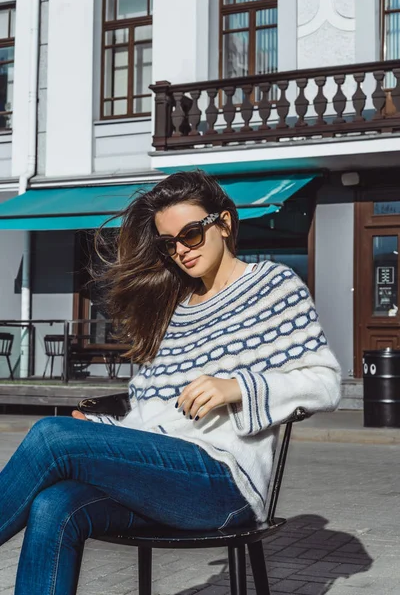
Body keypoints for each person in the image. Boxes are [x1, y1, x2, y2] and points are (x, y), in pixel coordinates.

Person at [0, 170, 341, 595]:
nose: (181, 250)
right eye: (169, 243)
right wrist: (105, 434)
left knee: (51, 435)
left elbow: (325, 382)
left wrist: (237, 388)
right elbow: (153, 416)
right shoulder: (175, 311)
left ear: (225, 224)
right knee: (55, 504)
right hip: (166, 479)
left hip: (224, 483)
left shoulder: (273, 286)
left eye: (192, 234)